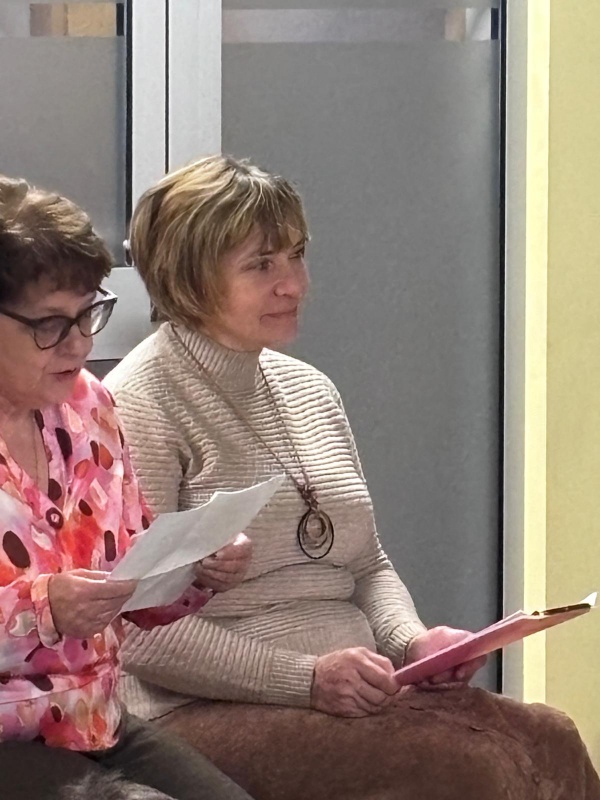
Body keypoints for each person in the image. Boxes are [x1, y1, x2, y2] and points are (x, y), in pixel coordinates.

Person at [105, 155, 600, 800]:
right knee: (467, 767)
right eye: (262, 265)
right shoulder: (137, 402)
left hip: (355, 693)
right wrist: (307, 679)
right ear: (189, 278)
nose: (294, 284)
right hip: (194, 710)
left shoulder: (310, 389)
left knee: (552, 737)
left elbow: (366, 564)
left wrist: (415, 643)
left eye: (297, 255)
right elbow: (138, 634)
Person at [0, 175, 254, 800]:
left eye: (88, 313)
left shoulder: (88, 406)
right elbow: (49, 607)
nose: (81, 343)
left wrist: (193, 569)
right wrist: (42, 609)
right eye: (50, 324)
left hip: (90, 719)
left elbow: (130, 587)